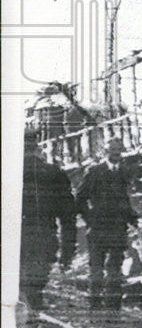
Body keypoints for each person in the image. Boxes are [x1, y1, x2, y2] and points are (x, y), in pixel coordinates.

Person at [75, 136, 138, 312]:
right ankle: (94, 308)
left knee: (115, 269)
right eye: (112, 151)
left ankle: (113, 309)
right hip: (98, 229)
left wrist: (132, 217)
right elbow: (80, 199)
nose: (116, 154)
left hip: (118, 229)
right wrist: (90, 219)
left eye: (119, 151)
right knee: (96, 268)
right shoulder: (94, 171)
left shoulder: (124, 172)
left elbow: (123, 200)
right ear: (106, 152)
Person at [20, 129, 77, 311]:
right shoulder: (54, 174)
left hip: (12, 241)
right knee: (33, 291)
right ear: (37, 147)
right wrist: (67, 251)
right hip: (43, 241)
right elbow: (68, 217)